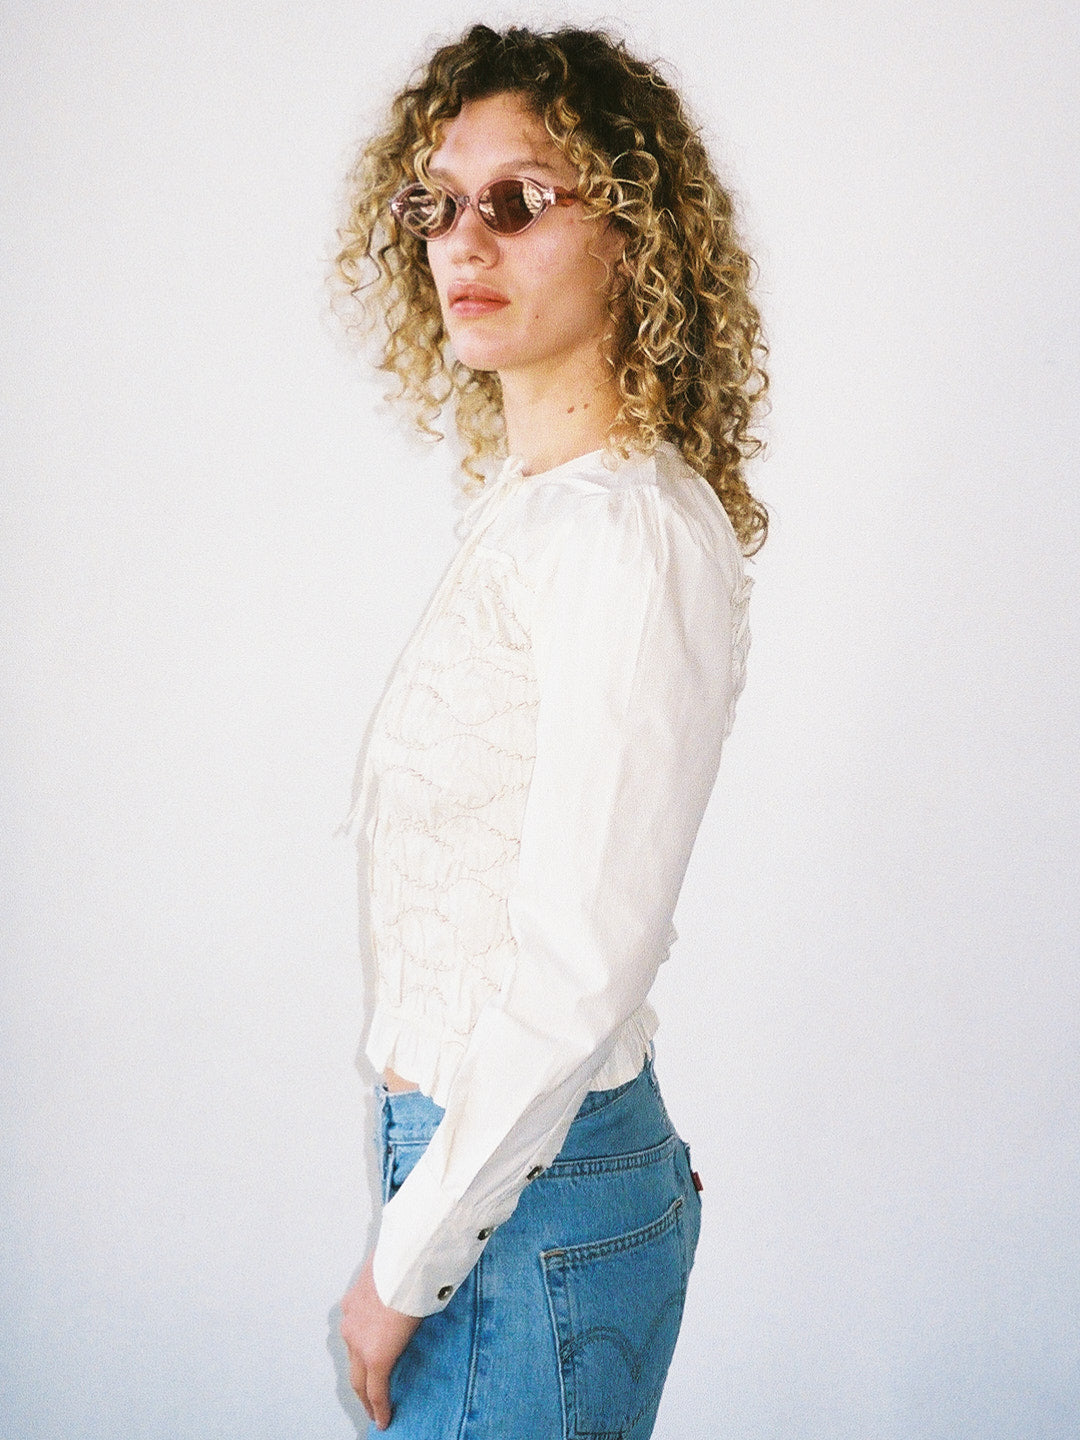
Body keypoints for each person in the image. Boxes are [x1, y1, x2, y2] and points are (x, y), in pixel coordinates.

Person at [334, 22, 768, 1438]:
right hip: (497, 1176)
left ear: (633, 233)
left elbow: (584, 964)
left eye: (518, 200)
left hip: (525, 1200)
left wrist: (402, 1267)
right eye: (436, 202)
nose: (464, 241)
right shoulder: (543, 514)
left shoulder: (626, 536)